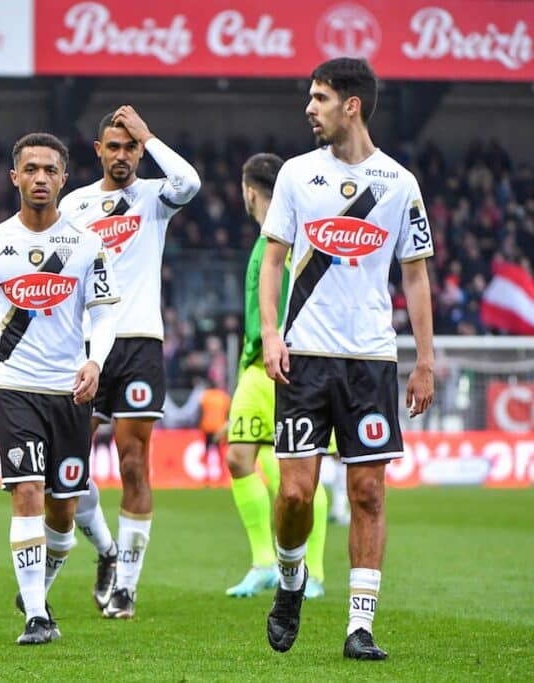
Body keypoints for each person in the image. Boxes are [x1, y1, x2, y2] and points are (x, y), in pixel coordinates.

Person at [259, 58, 434, 660]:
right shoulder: (295, 175)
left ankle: (360, 626)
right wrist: (270, 333)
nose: (309, 108)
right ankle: (290, 580)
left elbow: (415, 276)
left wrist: (424, 360)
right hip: (304, 355)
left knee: (368, 494)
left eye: (320, 98)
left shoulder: (400, 183)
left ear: (351, 105)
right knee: (296, 496)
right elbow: (275, 260)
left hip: (370, 361)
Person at [0, 132, 119, 645]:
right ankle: (35, 613)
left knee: (63, 513)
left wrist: (96, 361)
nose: (40, 178)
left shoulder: (86, 243)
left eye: (50, 170)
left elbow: (104, 312)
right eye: (30, 169)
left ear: (63, 178)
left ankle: (42, 585)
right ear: (15, 177)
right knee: (26, 492)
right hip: (15, 389)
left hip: (70, 392)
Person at [58, 106, 201, 618]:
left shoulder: (154, 198)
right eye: (113, 146)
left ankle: (127, 587)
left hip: (139, 340)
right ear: (97, 151)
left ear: (140, 150)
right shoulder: (73, 206)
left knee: (133, 461)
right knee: (68, 467)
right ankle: (107, 550)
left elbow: (189, 180)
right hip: (82, 345)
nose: (122, 155)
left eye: (130, 147)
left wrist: (150, 133)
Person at [224, 153, 330, 600]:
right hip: (255, 362)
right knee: (238, 457)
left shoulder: (294, 232)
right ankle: (264, 562)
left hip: (290, 362)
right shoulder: (266, 238)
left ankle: (315, 572)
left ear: (249, 191)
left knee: (299, 473)